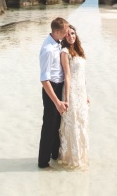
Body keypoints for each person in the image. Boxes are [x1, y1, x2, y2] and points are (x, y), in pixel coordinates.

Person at [38, 16, 69, 168]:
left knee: (57, 125)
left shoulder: (57, 42)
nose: (67, 34)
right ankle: (43, 163)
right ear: (57, 32)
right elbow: (44, 79)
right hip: (52, 88)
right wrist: (57, 102)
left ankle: (55, 156)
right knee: (49, 127)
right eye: (65, 32)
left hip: (59, 85)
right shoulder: (48, 49)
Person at [57, 24, 89, 168]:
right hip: (72, 92)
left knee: (82, 122)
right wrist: (67, 98)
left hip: (81, 91)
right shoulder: (65, 52)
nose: (71, 36)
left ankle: (81, 155)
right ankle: (70, 158)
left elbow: (83, 75)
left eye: (73, 33)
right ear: (64, 37)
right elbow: (67, 75)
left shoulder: (79, 50)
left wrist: (86, 94)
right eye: (68, 34)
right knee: (73, 123)